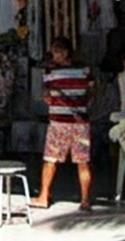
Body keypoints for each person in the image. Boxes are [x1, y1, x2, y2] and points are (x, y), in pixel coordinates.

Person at [35, 37, 93, 210]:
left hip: (58, 121)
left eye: (56, 52)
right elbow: (92, 91)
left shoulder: (50, 72)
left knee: (51, 159)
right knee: (82, 161)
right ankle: (85, 200)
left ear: (64, 52)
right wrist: (81, 105)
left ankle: (44, 195)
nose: (54, 56)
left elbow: (47, 96)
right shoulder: (85, 70)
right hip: (80, 121)